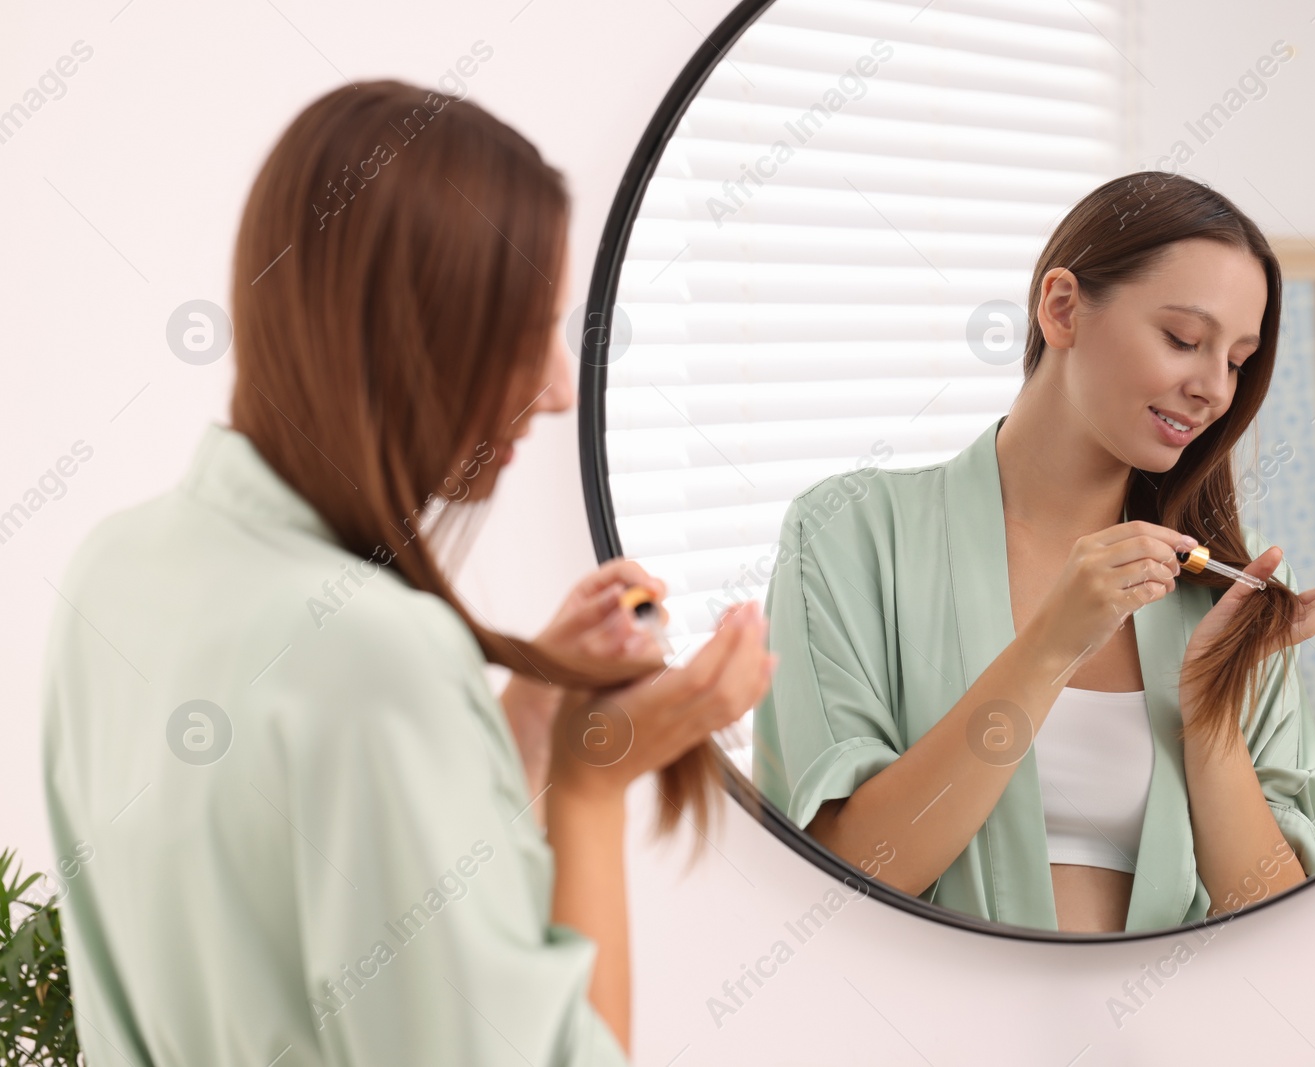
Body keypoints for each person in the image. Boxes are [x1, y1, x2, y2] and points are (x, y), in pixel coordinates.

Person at [40, 80, 773, 1065]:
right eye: (526, 335)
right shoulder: (371, 654)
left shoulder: (114, 570)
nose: (559, 390)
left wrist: (518, 722)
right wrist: (590, 792)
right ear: (408, 339)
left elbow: (306, 910)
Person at [753, 171, 1315, 934]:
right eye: (1183, 339)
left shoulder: (1229, 597)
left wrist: (1206, 714)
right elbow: (844, 871)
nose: (1212, 387)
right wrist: (1049, 646)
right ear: (1062, 307)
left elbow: (1279, 929)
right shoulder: (848, 534)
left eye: (1237, 359)